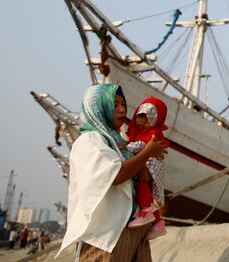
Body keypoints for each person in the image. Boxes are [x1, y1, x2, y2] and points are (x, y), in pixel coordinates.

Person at [58, 84, 168, 261]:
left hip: (132, 231)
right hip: (106, 237)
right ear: (98, 107)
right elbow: (116, 175)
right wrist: (147, 152)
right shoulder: (90, 140)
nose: (122, 110)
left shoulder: (118, 142)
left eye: (123, 104)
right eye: (114, 104)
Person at [124, 97, 169, 240]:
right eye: (140, 117)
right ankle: (158, 222)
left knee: (141, 184)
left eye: (147, 118)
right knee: (148, 194)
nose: (142, 122)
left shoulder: (153, 133)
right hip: (148, 163)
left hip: (149, 165)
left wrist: (125, 147)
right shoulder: (143, 132)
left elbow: (143, 145)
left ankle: (145, 212)